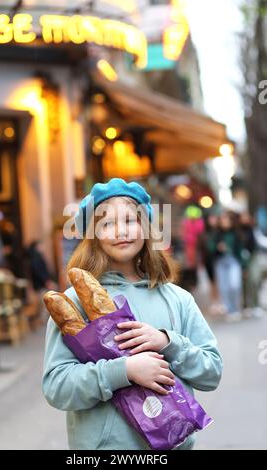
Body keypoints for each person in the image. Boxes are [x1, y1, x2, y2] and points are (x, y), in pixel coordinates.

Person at [42, 178, 222, 450]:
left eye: (129, 220)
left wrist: (168, 343)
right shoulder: (73, 303)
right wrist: (123, 371)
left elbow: (211, 373)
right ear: (93, 236)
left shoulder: (178, 300)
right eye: (107, 224)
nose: (120, 231)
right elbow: (57, 387)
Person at [213, 212, 243, 322]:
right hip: (220, 262)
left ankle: (235, 308)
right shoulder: (217, 234)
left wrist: (243, 265)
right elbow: (211, 249)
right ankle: (230, 310)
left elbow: (240, 249)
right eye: (222, 220)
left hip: (233, 261)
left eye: (227, 220)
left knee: (234, 285)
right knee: (224, 288)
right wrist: (217, 247)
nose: (225, 222)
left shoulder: (236, 234)